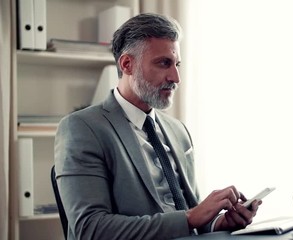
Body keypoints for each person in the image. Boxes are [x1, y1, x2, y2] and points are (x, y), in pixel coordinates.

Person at [54, 13, 261, 240]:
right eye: (164, 63)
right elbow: (90, 229)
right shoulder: (82, 128)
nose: (175, 77)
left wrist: (220, 223)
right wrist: (190, 218)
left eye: (177, 64)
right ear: (127, 64)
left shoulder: (178, 131)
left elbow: (192, 220)